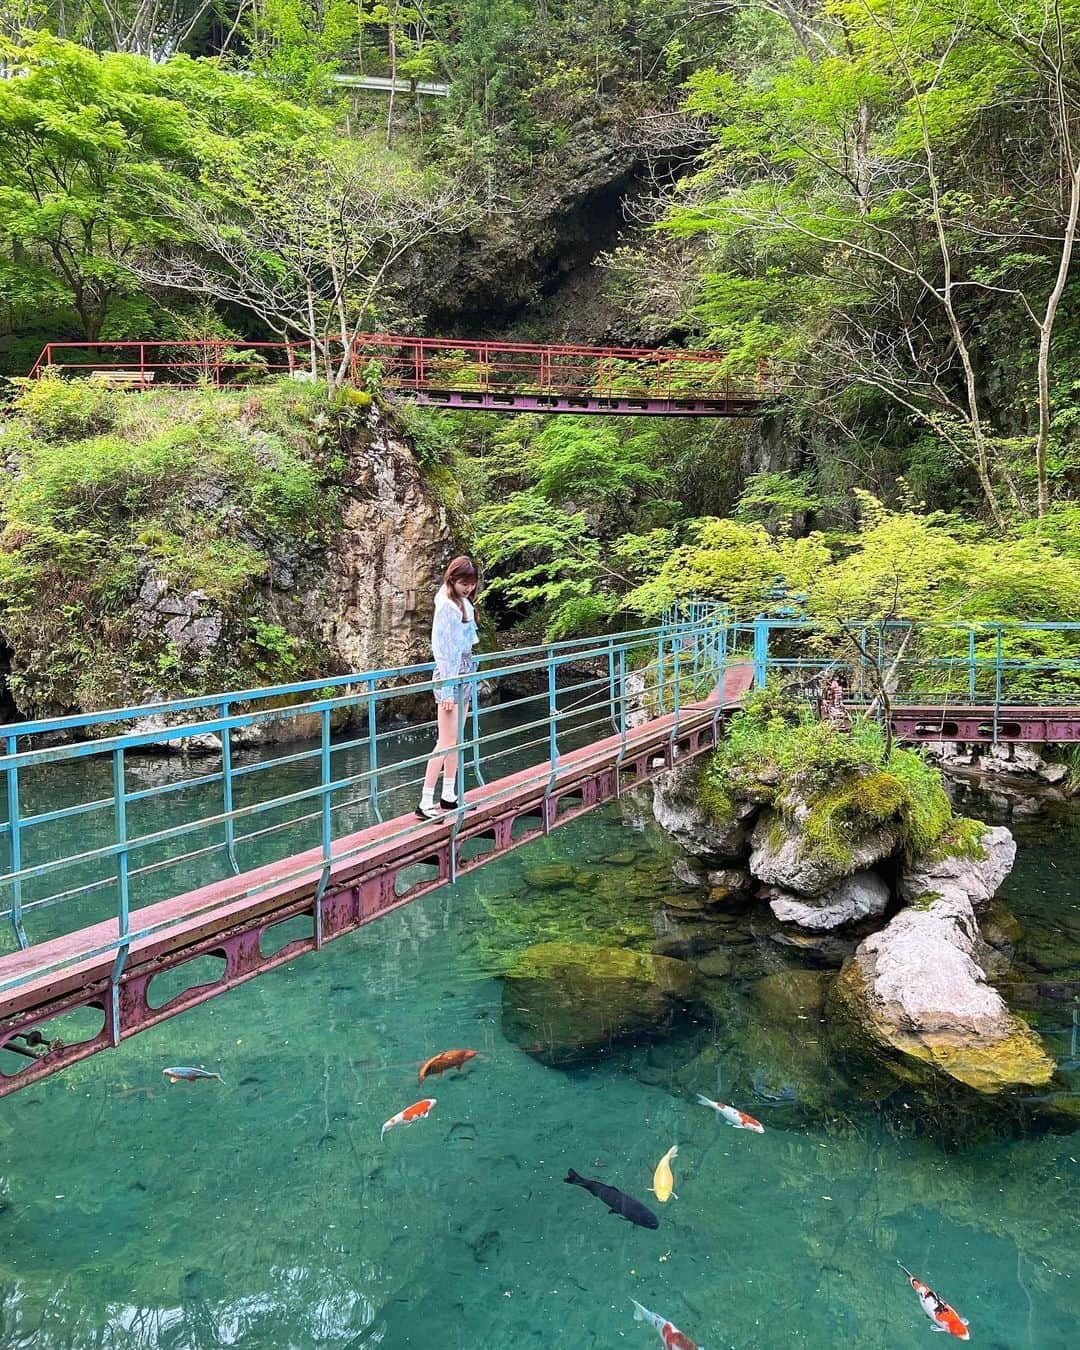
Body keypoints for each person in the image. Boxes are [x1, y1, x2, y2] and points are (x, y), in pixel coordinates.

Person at [416, 556, 480, 820]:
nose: (468, 588)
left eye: (471, 584)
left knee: (455, 739)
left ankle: (449, 795)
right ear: (452, 579)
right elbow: (443, 650)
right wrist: (446, 690)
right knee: (445, 741)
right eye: (464, 583)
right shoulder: (446, 605)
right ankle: (425, 800)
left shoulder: (460, 602)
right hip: (450, 675)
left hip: (464, 670)